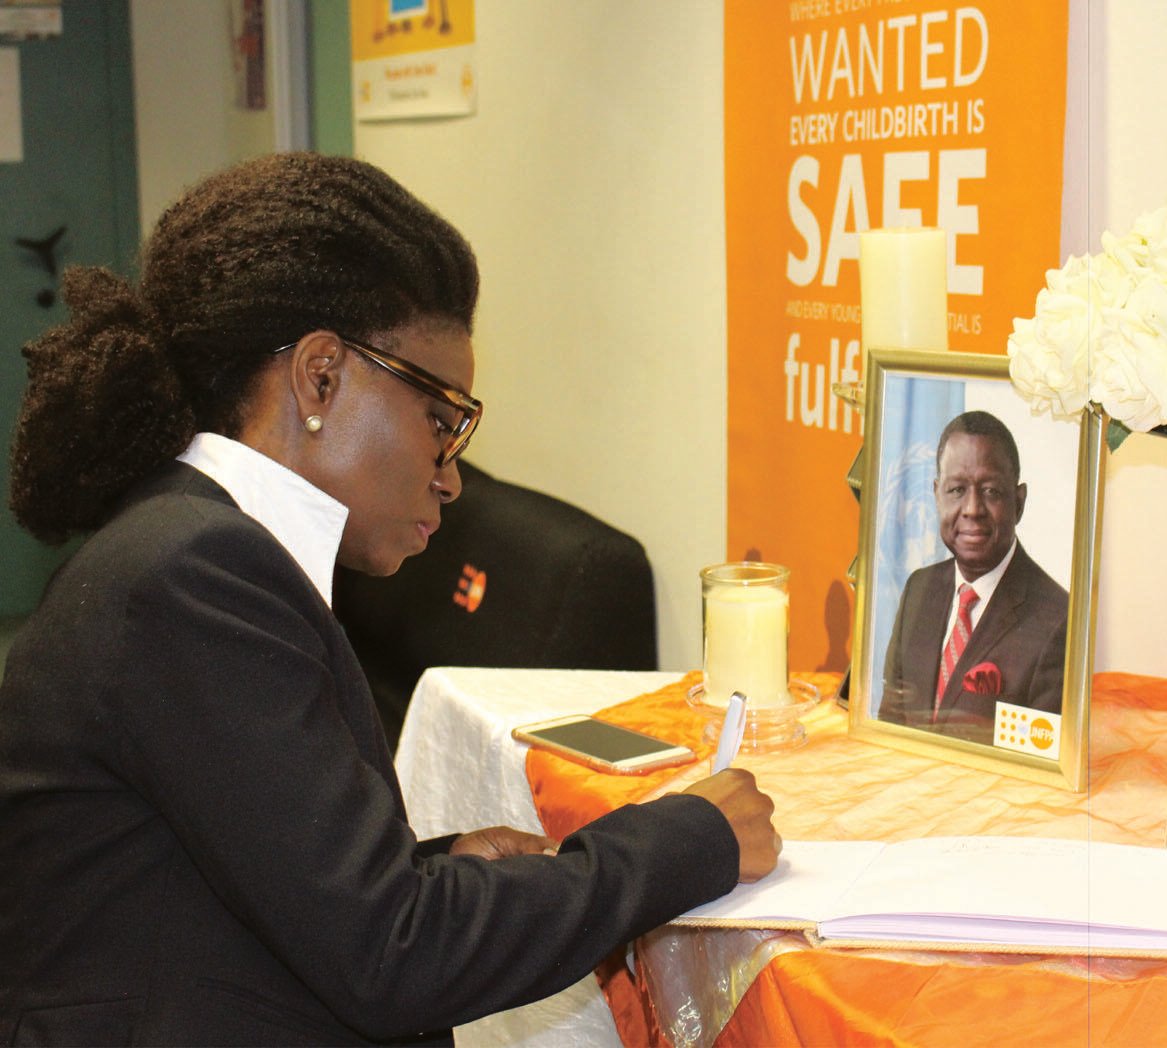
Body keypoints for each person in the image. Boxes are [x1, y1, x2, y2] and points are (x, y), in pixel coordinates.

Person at [0, 152, 780, 1046]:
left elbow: (250, 874)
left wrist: (435, 868)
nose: (450, 477)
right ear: (320, 377)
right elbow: (396, 958)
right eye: (441, 419)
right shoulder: (195, 574)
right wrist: (685, 841)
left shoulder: (191, 544)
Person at [878, 410, 1069, 743]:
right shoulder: (918, 590)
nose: (972, 508)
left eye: (991, 491)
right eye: (956, 490)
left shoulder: (1057, 621)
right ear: (937, 495)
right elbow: (891, 722)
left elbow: (1040, 760)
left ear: (1019, 502)